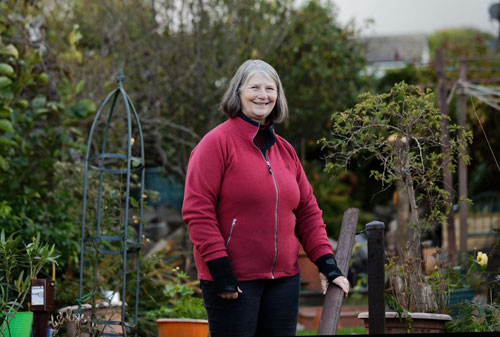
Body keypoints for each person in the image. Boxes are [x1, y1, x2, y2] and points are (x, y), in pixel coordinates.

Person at [182, 59, 349, 337]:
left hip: (284, 281)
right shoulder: (215, 144)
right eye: (254, 87)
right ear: (238, 93)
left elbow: (307, 211)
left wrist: (326, 263)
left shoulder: (284, 151)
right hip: (233, 282)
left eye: (270, 88)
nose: (263, 94)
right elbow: (197, 211)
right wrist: (220, 271)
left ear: (278, 96)